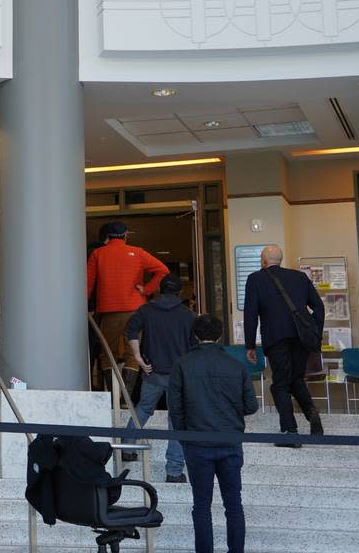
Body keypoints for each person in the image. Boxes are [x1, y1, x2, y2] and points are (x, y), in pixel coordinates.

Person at [169, 314, 259, 553]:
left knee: (201, 506)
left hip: (197, 443)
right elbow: (251, 406)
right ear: (220, 335)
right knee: (234, 505)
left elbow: (175, 408)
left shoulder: (182, 364)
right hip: (230, 441)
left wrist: (183, 437)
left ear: (196, 335)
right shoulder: (235, 365)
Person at [243, 244, 325, 442]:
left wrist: (250, 345)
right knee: (295, 378)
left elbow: (251, 314)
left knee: (279, 383)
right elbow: (318, 306)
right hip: (301, 338)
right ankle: (312, 413)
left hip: (276, 338)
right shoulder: (299, 277)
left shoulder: (256, 279)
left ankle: (290, 431)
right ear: (280, 260)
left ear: (263, 261)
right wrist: (315, 333)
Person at [119, 272, 196, 482]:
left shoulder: (146, 310)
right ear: (180, 292)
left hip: (152, 371)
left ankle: (126, 447)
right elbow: (194, 346)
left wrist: (137, 357)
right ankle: (174, 471)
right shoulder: (188, 315)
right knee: (176, 418)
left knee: (143, 408)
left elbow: (131, 330)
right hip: (179, 376)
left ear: (161, 290)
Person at [85, 221, 169, 399]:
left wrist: (85, 306)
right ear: (125, 235)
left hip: (109, 311)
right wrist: (146, 289)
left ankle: (114, 396)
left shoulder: (98, 254)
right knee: (133, 353)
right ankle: (126, 397)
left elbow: (88, 283)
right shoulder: (138, 252)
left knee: (108, 353)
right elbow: (163, 270)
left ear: (107, 236)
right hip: (135, 309)